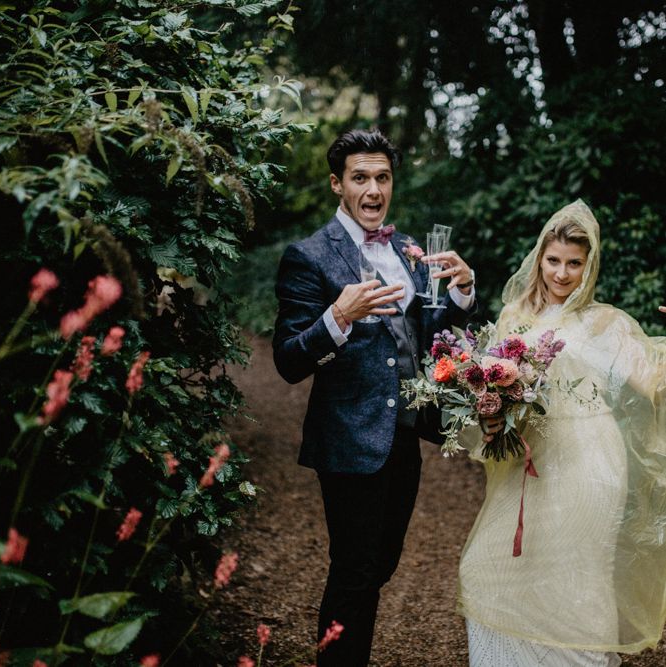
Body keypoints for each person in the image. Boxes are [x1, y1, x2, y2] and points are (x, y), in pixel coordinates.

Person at [272, 128, 476, 665]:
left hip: (403, 434)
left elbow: (425, 331)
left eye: (382, 177)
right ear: (337, 184)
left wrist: (459, 290)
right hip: (348, 437)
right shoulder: (308, 256)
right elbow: (288, 360)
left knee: (381, 564)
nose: (372, 189)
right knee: (355, 571)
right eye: (360, 178)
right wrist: (338, 316)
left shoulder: (407, 247)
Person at [459, 199, 666, 667]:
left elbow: (653, 382)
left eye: (575, 263)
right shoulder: (514, 316)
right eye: (554, 260)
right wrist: (491, 413)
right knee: (487, 565)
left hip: (591, 464)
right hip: (529, 462)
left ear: (589, 265)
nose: (562, 273)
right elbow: (488, 386)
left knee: (578, 576)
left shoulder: (606, 323)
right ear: (539, 258)